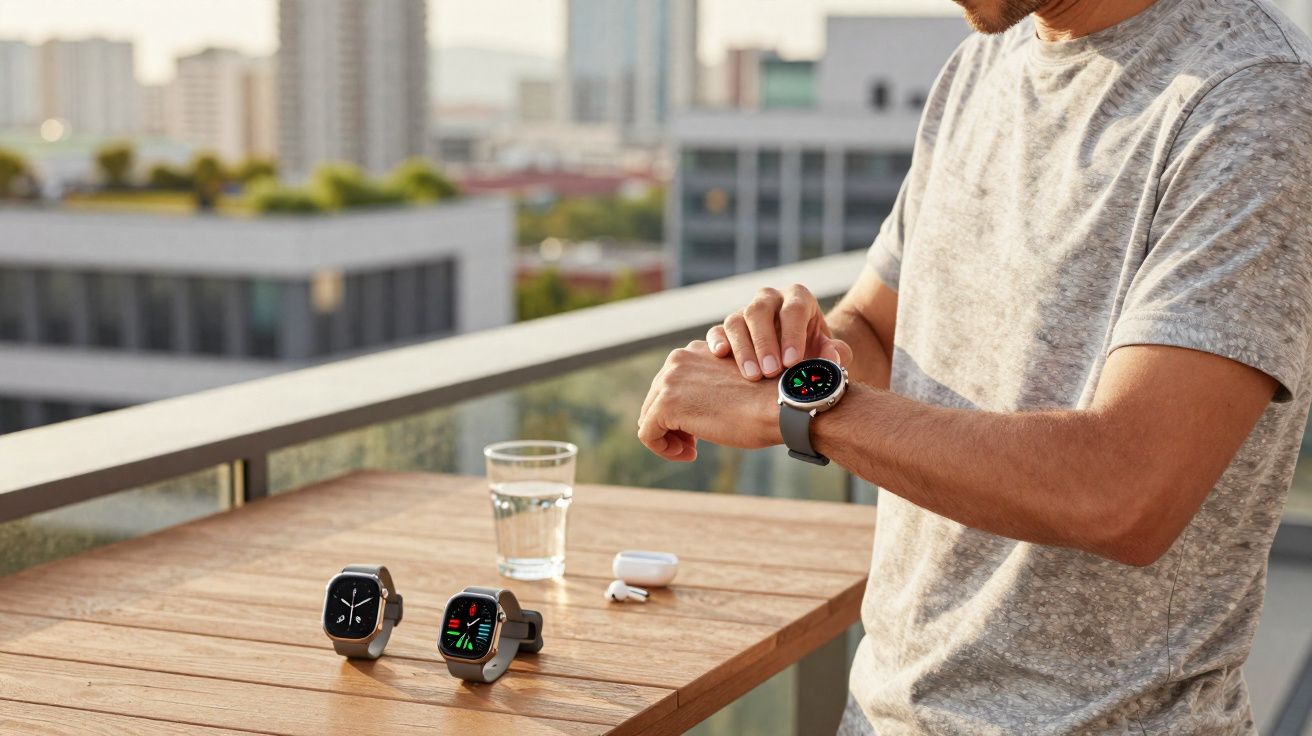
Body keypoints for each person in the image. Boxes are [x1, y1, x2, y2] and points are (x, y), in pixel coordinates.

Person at [636, 0, 1312, 731]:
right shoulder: (983, 62)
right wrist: (791, 358)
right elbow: (877, 329)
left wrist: (804, 407)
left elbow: (1124, 492)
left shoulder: (1258, 97)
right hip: (883, 713)